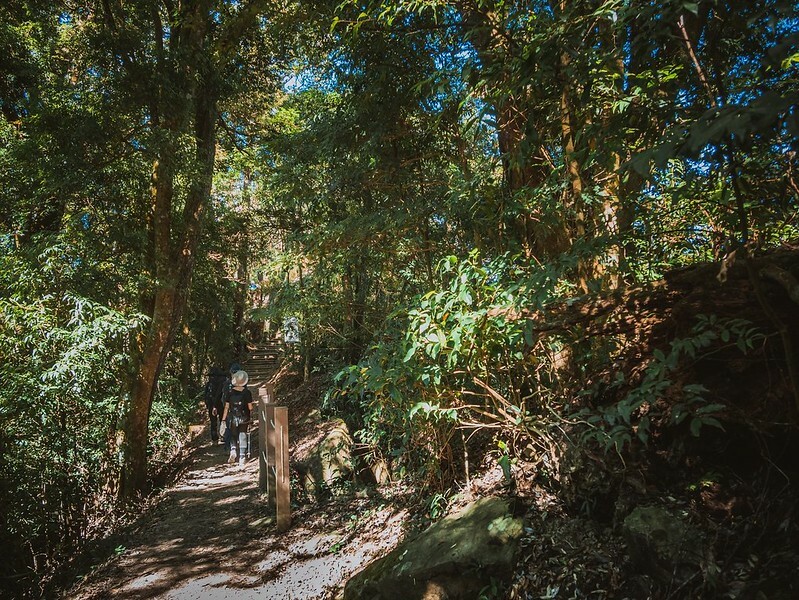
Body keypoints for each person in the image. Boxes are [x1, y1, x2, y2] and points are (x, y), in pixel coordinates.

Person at [221, 370, 253, 467]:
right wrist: (252, 416)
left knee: (233, 435)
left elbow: (226, 407)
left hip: (232, 417)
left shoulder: (229, 392)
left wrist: (223, 419)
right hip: (244, 417)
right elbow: (250, 407)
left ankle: (233, 450)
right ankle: (242, 457)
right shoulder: (247, 393)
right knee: (242, 434)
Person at [203, 367, 226, 445]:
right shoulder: (223, 382)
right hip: (221, 405)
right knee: (223, 420)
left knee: (213, 422)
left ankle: (215, 439)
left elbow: (206, 395)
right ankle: (223, 437)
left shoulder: (210, 383)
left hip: (212, 404)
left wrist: (210, 405)